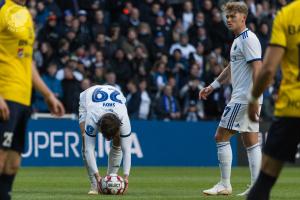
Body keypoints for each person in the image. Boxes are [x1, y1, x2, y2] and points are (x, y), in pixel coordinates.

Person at [0, 0, 65, 200]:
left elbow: (27, 62)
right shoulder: (3, 9)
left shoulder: (27, 15)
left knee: (13, 163)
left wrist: (47, 94)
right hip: (6, 95)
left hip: (23, 99)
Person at [199, 1, 263, 196]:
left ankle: (224, 184)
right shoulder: (238, 40)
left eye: (232, 16)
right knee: (251, 140)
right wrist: (213, 86)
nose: (228, 19)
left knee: (221, 136)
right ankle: (257, 187)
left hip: (244, 98)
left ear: (243, 18)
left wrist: (253, 98)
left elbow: (258, 68)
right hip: (248, 97)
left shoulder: (248, 39)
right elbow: (230, 69)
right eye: (227, 16)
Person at [247, 1, 300, 199]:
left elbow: (269, 69)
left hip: (292, 108)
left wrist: (254, 97)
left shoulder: (287, 15)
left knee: (264, 181)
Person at [78, 84, 131, 195]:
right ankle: (94, 185)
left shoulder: (123, 118)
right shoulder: (92, 117)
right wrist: (97, 176)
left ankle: (111, 180)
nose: (107, 140)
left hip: (114, 99)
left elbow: (127, 151)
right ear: (99, 128)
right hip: (87, 98)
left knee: (119, 141)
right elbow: (89, 150)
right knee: (85, 140)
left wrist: (126, 177)